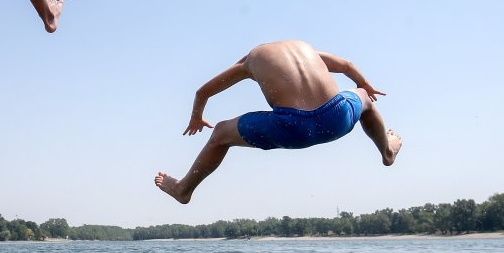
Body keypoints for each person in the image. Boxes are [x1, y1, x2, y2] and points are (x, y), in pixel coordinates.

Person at [155, 40, 402, 204]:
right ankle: (387, 151)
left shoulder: (250, 61)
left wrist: (197, 117)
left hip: (292, 128)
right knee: (363, 98)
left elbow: (202, 92)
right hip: (336, 118)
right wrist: (365, 85)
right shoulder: (307, 51)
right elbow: (347, 66)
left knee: (220, 133)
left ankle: (183, 189)